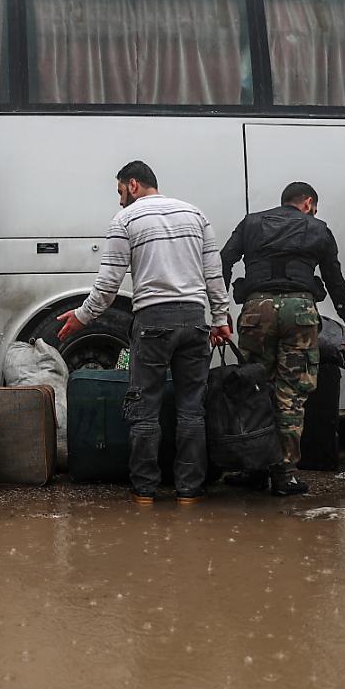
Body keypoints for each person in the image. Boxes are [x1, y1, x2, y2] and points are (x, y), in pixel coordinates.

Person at [57, 161, 232, 505]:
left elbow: (108, 284)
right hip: (194, 319)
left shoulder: (126, 220)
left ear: (133, 184)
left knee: (145, 408)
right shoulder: (195, 215)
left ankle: (145, 490)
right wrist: (220, 318)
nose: (120, 199)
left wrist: (82, 317)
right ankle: (189, 490)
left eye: (120, 190)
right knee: (192, 409)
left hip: (153, 321)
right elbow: (214, 272)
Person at [220, 181, 345, 496]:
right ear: (308, 203)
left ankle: (254, 468)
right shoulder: (318, 229)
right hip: (300, 312)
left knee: (255, 389)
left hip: (257, 310)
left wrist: (220, 311)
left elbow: (223, 261)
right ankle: (284, 475)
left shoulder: (251, 223)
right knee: (291, 394)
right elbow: (334, 279)